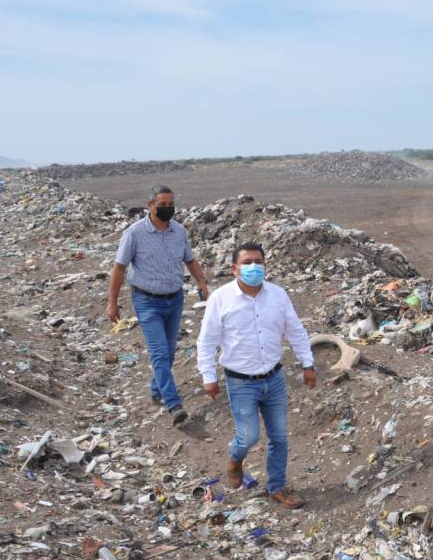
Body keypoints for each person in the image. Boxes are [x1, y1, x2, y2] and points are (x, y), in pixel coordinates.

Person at [196, 241, 317, 508]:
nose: (254, 267)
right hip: (240, 381)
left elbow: (295, 330)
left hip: (274, 378)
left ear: (265, 265)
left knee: (279, 437)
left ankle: (277, 487)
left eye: (258, 262)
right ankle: (235, 459)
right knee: (248, 436)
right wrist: (209, 376)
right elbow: (207, 340)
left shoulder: (278, 295)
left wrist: (308, 364)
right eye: (247, 262)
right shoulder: (221, 299)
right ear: (234, 268)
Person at [106, 185, 210, 424]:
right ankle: (174, 405)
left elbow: (190, 259)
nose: (167, 209)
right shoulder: (135, 233)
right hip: (147, 301)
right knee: (159, 352)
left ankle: (156, 389)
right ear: (150, 205)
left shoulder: (179, 231)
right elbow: (119, 268)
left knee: (169, 351)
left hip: (175, 298)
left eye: (170, 204)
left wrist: (202, 282)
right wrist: (112, 302)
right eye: (162, 205)